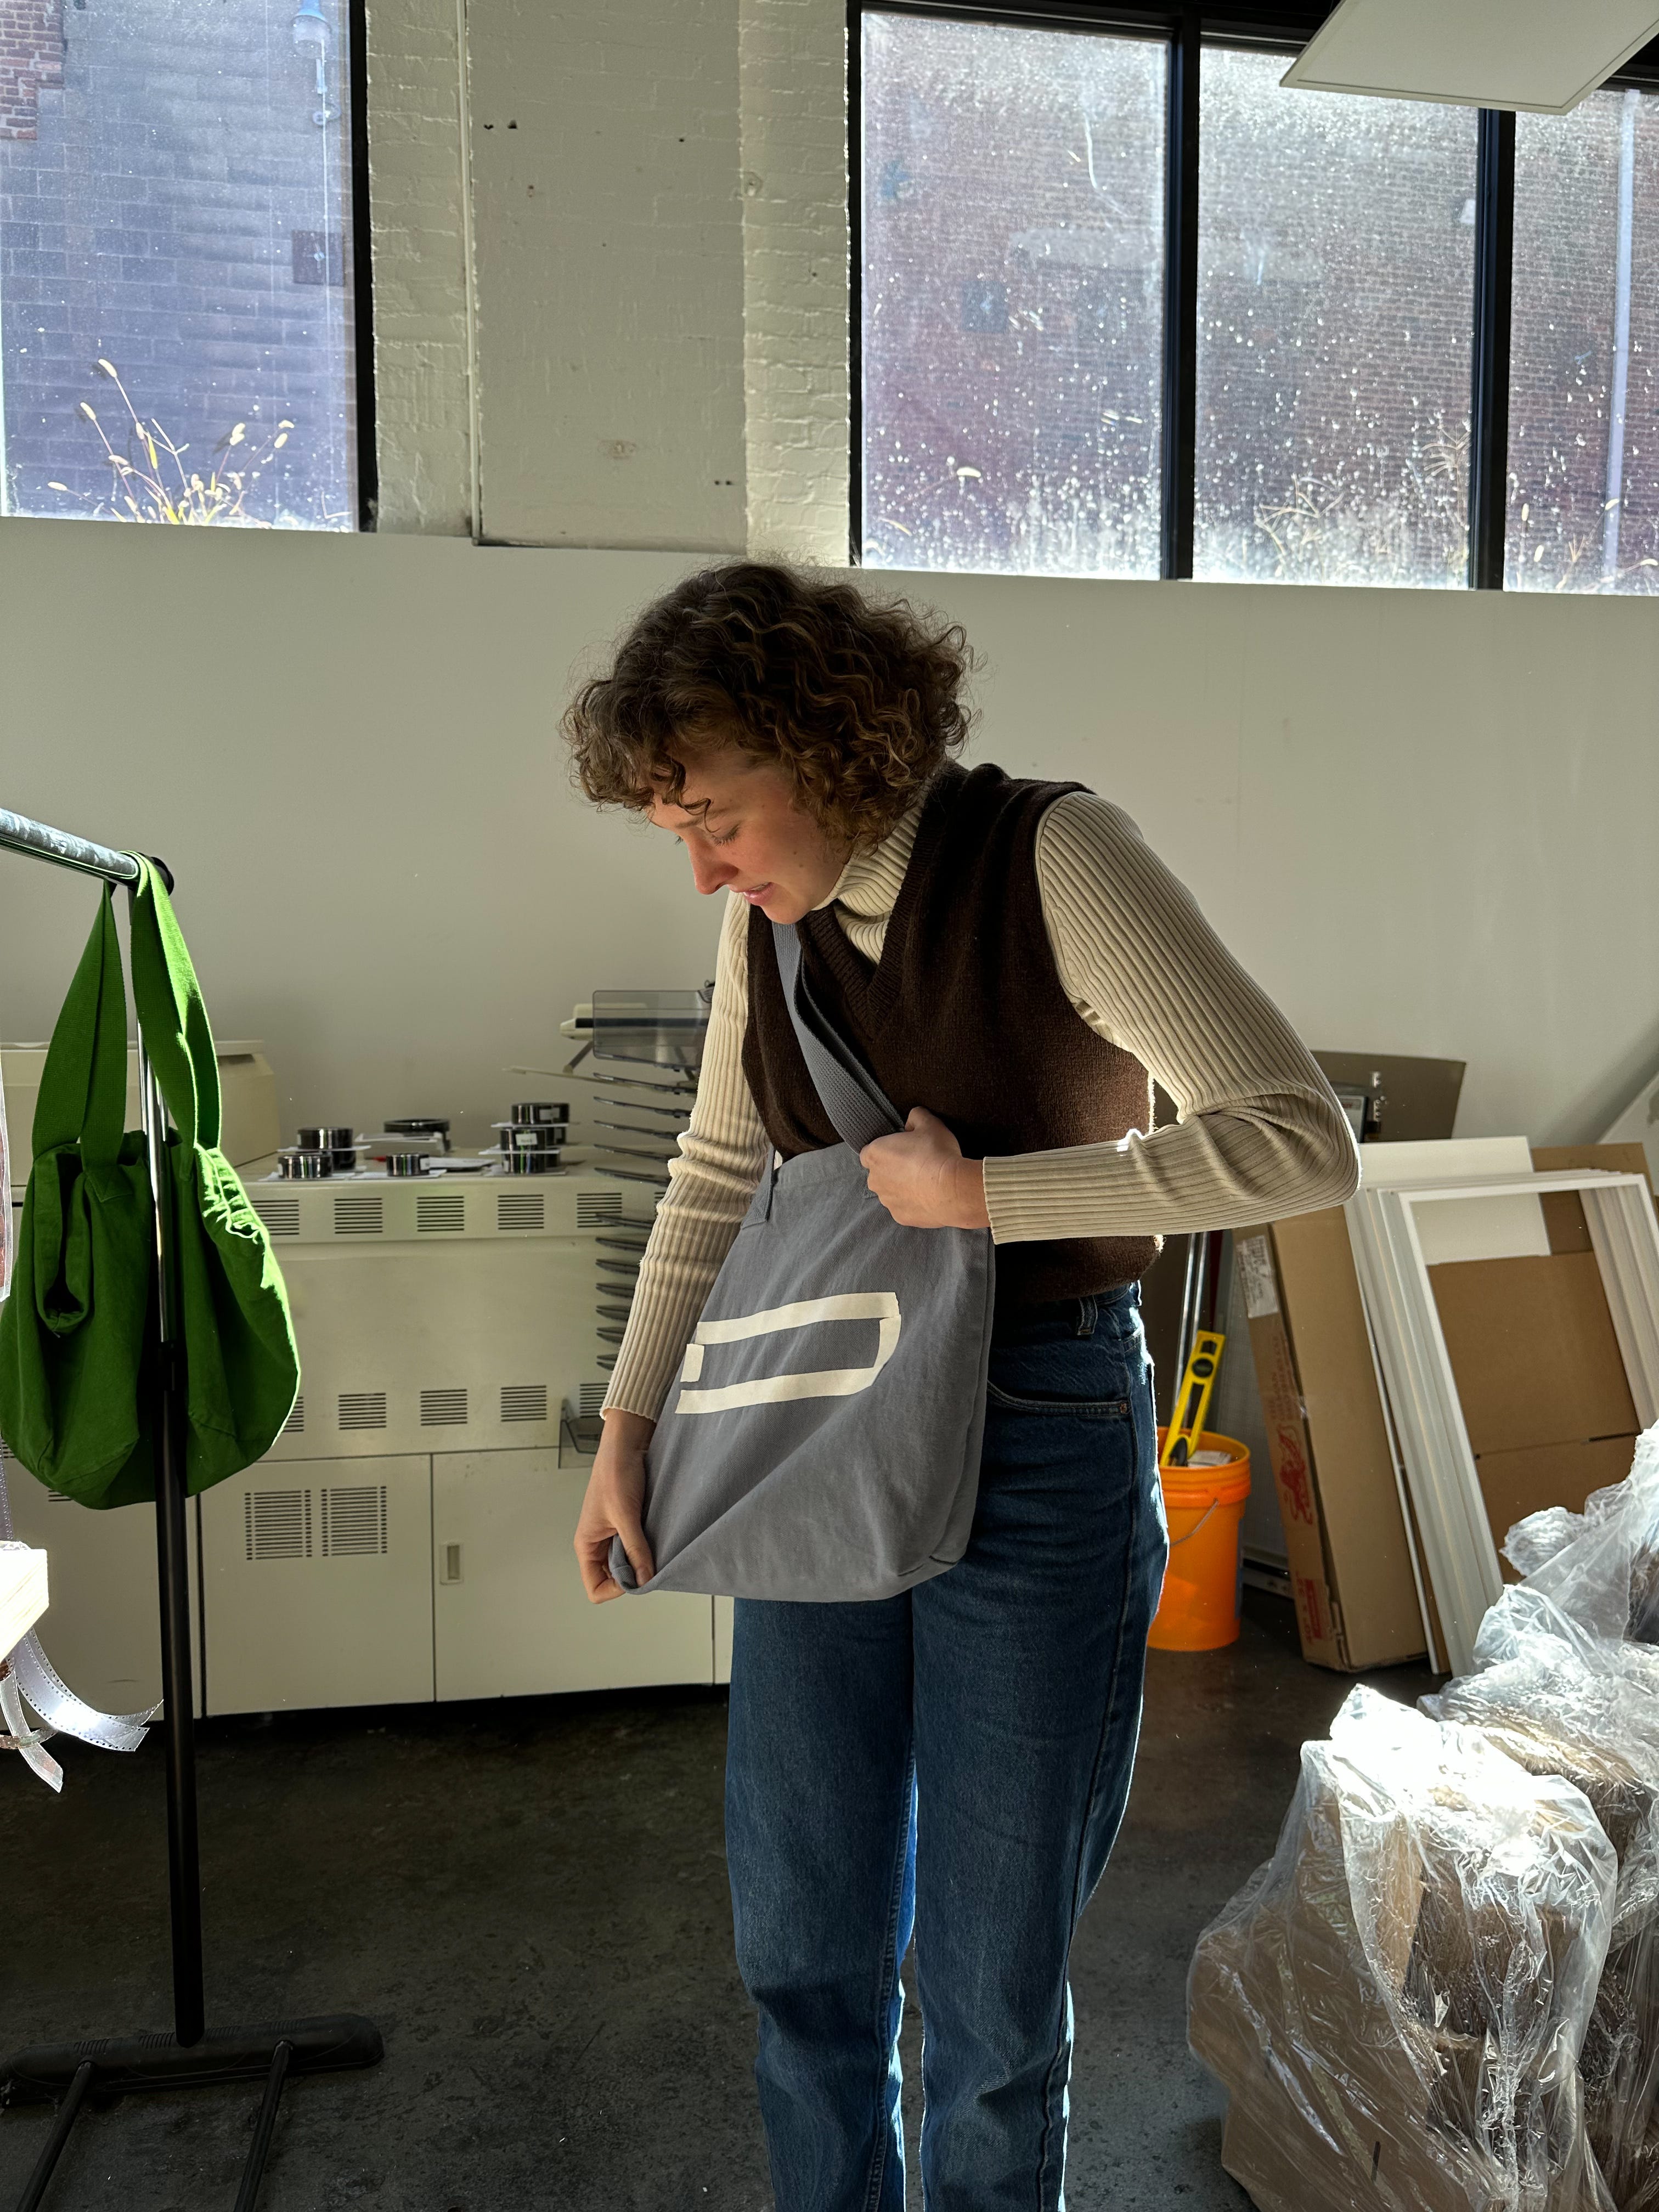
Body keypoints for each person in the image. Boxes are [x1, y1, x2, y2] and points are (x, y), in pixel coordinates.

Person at [564, 562, 1358, 2211]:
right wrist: (628, 1430)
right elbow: (718, 1169)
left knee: (990, 2000)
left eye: (716, 817)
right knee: (805, 1953)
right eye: (675, 831)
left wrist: (993, 1197)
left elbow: (1298, 1142)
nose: (702, 866)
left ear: (828, 746)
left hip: (1040, 1433)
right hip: (822, 1430)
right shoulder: (767, 922)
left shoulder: (1054, 857)